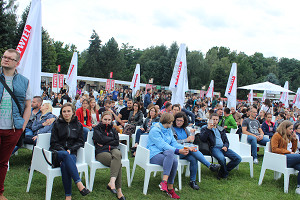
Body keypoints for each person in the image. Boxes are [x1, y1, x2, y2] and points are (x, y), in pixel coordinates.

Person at [0, 49, 31, 200]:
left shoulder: (24, 81)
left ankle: (0, 192)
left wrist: (22, 127)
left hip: (13, 129)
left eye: (9, 58)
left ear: (17, 63)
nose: (5, 60)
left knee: (3, 162)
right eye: (4, 57)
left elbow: (28, 106)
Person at [50, 103, 90, 200]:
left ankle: (68, 195)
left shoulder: (78, 125)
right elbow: (53, 143)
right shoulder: (56, 124)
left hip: (71, 153)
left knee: (65, 165)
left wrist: (71, 149)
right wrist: (63, 150)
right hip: (57, 153)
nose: (66, 113)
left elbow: (80, 142)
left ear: (73, 112)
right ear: (61, 113)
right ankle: (79, 183)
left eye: (68, 111)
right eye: (64, 111)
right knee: (64, 155)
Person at [172, 112, 220, 189]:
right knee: (192, 148)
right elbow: (173, 143)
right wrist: (186, 140)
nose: (179, 122)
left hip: (186, 150)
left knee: (193, 158)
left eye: (181, 121)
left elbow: (190, 141)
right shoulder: (172, 129)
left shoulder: (184, 129)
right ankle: (209, 165)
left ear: (184, 122)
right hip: (177, 151)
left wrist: (192, 136)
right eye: (177, 120)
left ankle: (192, 181)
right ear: (175, 120)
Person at [147, 113, 189, 199]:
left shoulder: (168, 129)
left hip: (165, 153)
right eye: (172, 122)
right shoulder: (155, 130)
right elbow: (162, 145)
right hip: (154, 154)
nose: (172, 123)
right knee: (173, 159)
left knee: (173, 158)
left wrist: (186, 147)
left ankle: (165, 183)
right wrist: (178, 151)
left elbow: (174, 143)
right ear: (168, 122)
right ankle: (170, 188)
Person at [93, 111, 125, 200]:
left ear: (112, 120)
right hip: (101, 152)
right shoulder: (96, 129)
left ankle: (112, 182)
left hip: (113, 149)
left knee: (118, 154)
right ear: (101, 119)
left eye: (109, 120)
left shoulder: (113, 129)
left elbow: (116, 141)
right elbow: (100, 139)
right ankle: (119, 191)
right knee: (118, 163)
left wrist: (104, 141)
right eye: (105, 119)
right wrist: (110, 140)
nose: (107, 121)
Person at [199, 113, 241, 179]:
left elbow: (226, 141)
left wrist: (225, 146)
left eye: (216, 119)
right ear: (210, 120)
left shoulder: (221, 129)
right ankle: (224, 175)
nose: (215, 121)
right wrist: (208, 129)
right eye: (213, 119)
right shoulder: (205, 128)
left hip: (223, 148)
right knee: (222, 159)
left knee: (238, 158)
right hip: (214, 148)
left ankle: (222, 171)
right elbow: (202, 139)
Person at [270, 120, 300, 194]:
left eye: (292, 129)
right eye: (290, 129)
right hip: (282, 158)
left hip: (290, 158)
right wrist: (288, 152)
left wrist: (295, 140)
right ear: (284, 128)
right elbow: (274, 149)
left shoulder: (289, 137)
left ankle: (298, 187)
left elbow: (294, 150)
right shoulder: (277, 135)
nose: (292, 131)